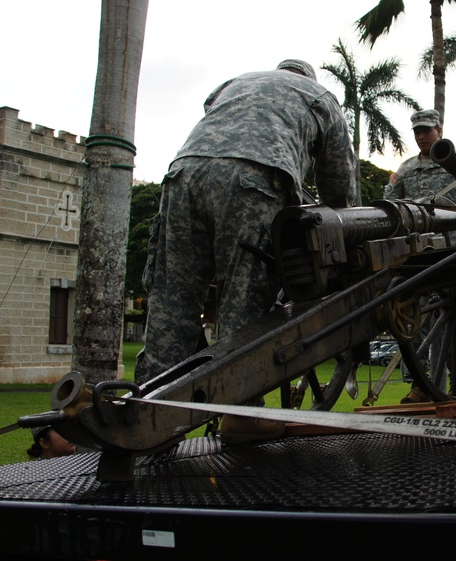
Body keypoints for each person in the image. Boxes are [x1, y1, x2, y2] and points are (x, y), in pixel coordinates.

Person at [135, 59, 359, 443]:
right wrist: (345, 225)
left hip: (184, 172)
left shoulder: (235, 83)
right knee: (244, 296)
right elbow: (338, 180)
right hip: (253, 179)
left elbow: (213, 114)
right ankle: (240, 411)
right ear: (307, 77)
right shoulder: (319, 95)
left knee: (172, 300)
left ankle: (148, 411)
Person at [385, 109, 456, 404]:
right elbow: (389, 207)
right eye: (417, 132)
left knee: (453, 318)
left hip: (452, 254)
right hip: (416, 255)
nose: (421, 136)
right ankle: (420, 385)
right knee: (414, 321)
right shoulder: (407, 169)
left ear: (439, 130)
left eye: (427, 130)